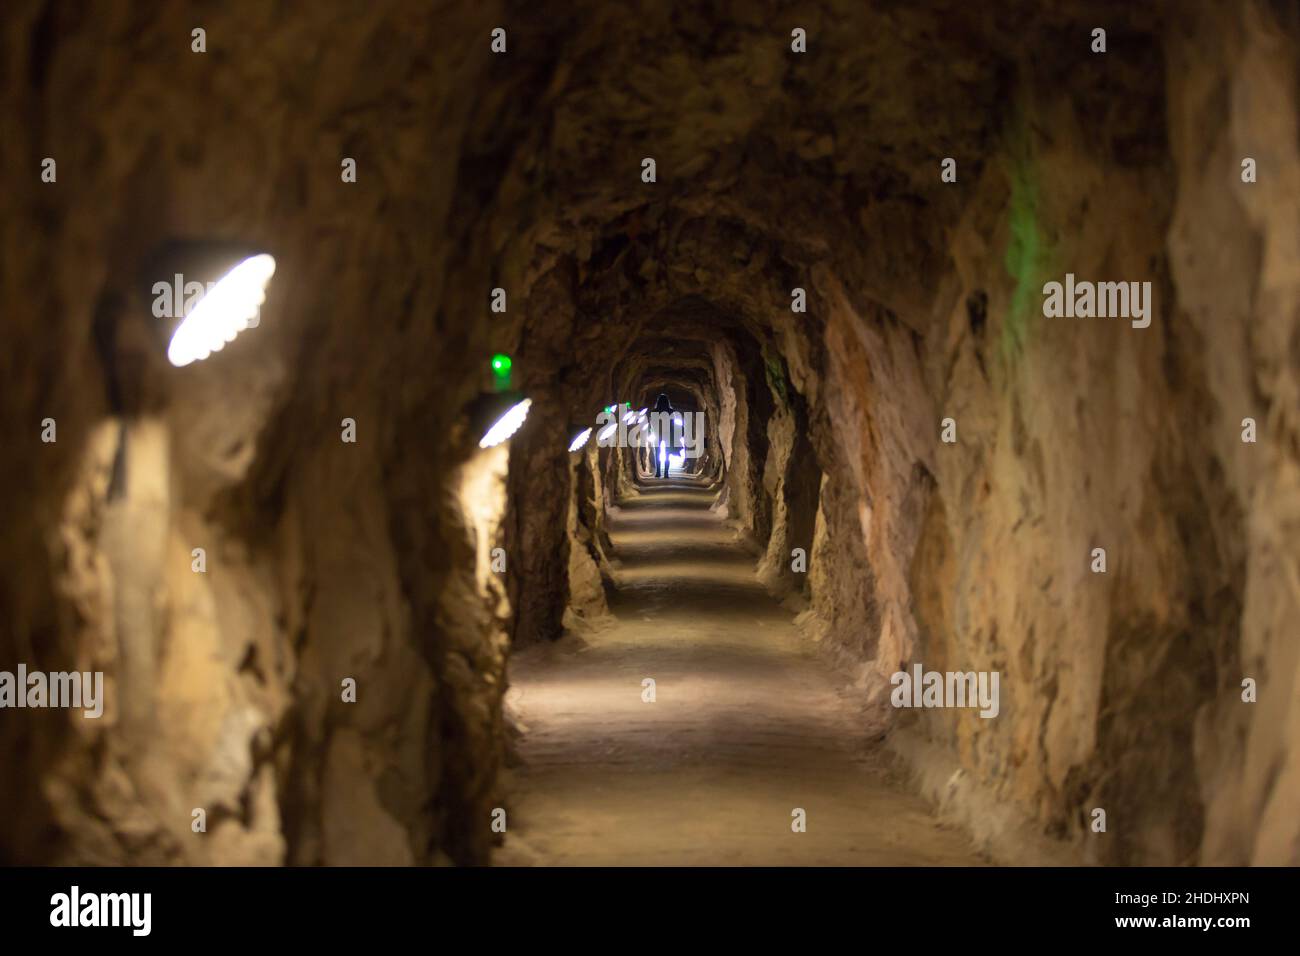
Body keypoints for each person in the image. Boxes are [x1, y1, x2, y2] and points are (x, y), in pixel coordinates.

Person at [651, 392, 677, 478]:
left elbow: (652, 423)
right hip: (668, 434)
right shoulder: (671, 411)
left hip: (657, 434)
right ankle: (666, 473)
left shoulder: (654, 411)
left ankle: (658, 472)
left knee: (658, 453)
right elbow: (673, 424)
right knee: (667, 453)